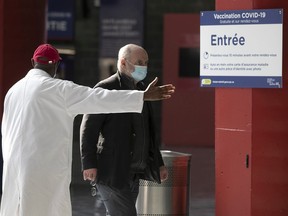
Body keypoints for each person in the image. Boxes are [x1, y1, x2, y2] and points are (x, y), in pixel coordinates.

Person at [0, 44, 175, 216]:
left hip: (13, 166)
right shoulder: (59, 89)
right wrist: (142, 96)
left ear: (33, 62)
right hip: (43, 168)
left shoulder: (12, 91)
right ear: (56, 64)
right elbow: (98, 98)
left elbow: (5, 131)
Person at [80, 44, 169, 216]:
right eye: (139, 62)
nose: (144, 66)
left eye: (146, 62)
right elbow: (88, 129)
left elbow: (148, 132)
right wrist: (89, 163)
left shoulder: (143, 90)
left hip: (134, 171)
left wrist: (158, 163)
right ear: (123, 62)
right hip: (112, 171)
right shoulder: (105, 88)